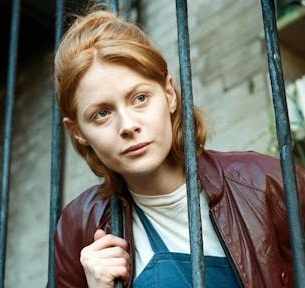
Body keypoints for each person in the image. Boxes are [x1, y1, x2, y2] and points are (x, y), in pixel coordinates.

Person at [53, 7, 305, 288]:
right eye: (101, 113)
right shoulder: (79, 229)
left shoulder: (268, 184)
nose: (127, 125)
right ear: (77, 133)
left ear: (169, 94)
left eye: (139, 98)